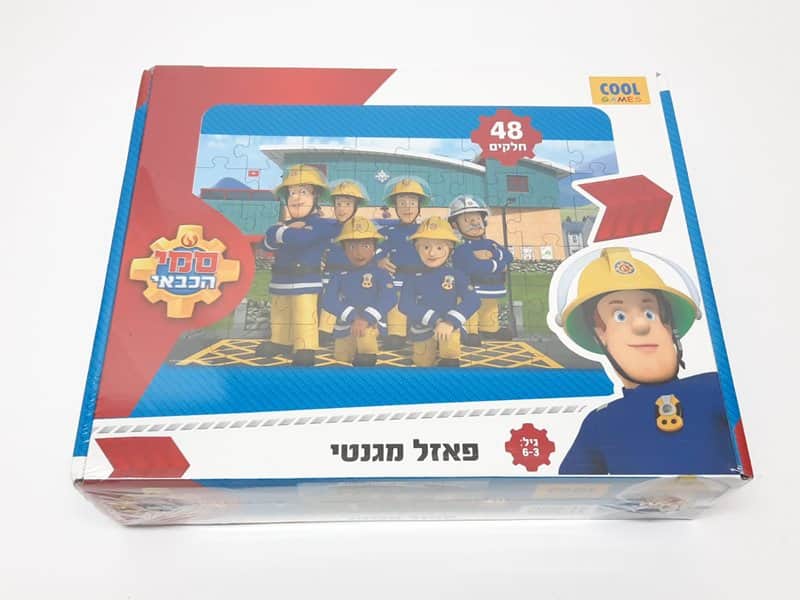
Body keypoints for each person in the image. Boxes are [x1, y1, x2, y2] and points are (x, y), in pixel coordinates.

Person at [553, 247, 737, 475]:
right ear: (600, 335)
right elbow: (572, 489)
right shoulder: (601, 421)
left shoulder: (716, 387)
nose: (641, 325)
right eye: (620, 316)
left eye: (650, 313)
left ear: (669, 327)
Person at [258, 165, 337, 366]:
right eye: (292, 193)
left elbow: (302, 240)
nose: (296, 198)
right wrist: (285, 231)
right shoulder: (285, 224)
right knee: (280, 313)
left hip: (306, 280)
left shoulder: (323, 224)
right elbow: (266, 243)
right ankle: (280, 341)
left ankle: (305, 347)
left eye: (303, 192)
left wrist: (281, 232)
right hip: (280, 279)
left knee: (305, 314)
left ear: (315, 196)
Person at [399, 216, 480, 367]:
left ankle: (449, 362)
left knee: (450, 357)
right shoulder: (412, 277)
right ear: (417, 249)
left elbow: (473, 300)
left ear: (450, 249)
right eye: (426, 247)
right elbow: (405, 304)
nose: (432, 253)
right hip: (422, 328)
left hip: (449, 328)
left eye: (439, 248)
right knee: (422, 363)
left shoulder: (456, 275)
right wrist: (435, 320)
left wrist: (450, 322)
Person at [320, 217, 396, 366]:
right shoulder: (339, 274)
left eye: (365, 246)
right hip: (346, 323)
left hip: (370, 323)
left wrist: (366, 318)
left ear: (374, 248)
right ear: (344, 249)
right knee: (342, 358)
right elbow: (328, 300)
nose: (358, 253)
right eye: (352, 247)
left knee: (365, 345)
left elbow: (389, 298)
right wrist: (353, 316)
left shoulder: (381, 274)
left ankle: (368, 357)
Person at [448, 195, 514, 346]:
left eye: (477, 218)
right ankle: (469, 331)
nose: (474, 223)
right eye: (467, 220)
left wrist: (490, 259)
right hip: (471, 288)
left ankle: (490, 328)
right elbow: (473, 267)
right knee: (470, 309)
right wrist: (497, 265)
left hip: (492, 287)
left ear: (484, 221)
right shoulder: (461, 248)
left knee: (490, 308)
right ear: (455, 225)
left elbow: (508, 256)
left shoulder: (491, 244)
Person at [375, 176, 430, 350]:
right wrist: (379, 260)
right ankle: (396, 334)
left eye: (412, 203)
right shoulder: (387, 231)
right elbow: (373, 249)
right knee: (396, 305)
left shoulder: (428, 230)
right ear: (395, 206)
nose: (407, 207)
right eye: (402, 203)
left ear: (419, 206)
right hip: (397, 280)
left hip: (422, 280)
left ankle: (420, 330)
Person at [318, 180, 370, 345]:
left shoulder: (364, 229)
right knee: (329, 297)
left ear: (355, 206)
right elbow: (318, 249)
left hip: (355, 275)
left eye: (347, 204)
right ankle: (325, 331)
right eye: (338, 204)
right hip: (331, 275)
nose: (342, 209)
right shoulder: (327, 229)